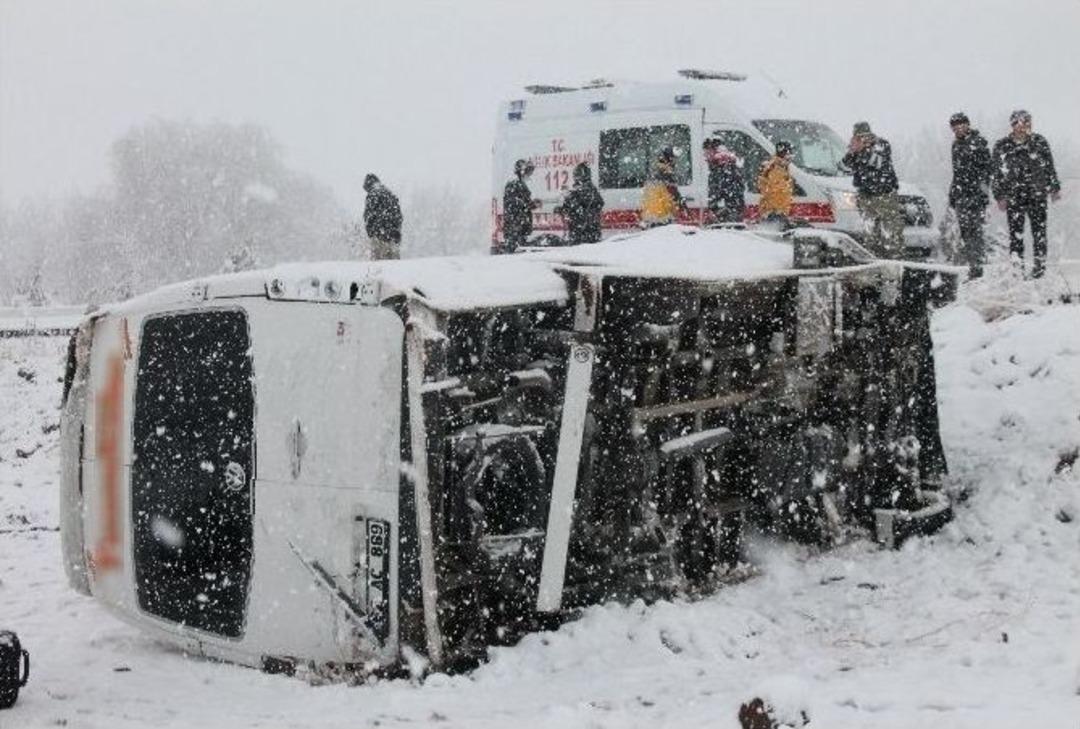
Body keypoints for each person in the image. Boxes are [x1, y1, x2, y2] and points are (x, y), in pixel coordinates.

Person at [991, 110, 1062, 278]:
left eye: (1026, 124)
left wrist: (1054, 188)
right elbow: (996, 173)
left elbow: (1049, 166)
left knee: (1039, 234)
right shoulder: (1002, 146)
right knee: (1016, 236)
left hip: (1037, 194)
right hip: (1014, 196)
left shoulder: (1039, 142)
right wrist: (999, 196)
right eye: (1019, 124)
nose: (1022, 128)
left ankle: (1039, 270)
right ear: (1013, 125)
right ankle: (1017, 271)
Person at [842, 122, 905, 258]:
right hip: (865, 198)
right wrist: (851, 152)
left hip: (885, 197)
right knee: (869, 237)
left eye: (865, 136)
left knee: (891, 235)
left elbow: (876, 162)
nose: (863, 140)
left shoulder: (881, 145)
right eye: (859, 137)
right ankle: (873, 264)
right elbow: (844, 167)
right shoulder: (855, 150)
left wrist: (863, 150)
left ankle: (893, 269)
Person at [947, 112, 992, 278]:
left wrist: (982, 193)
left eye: (961, 125)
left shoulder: (978, 143)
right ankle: (973, 266)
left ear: (967, 125)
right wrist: (953, 193)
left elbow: (987, 171)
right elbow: (957, 172)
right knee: (965, 232)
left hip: (975, 195)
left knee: (975, 231)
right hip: (961, 195)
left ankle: (978, 267)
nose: (958, 129)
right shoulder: (956, 145)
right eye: (955, 127)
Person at [554, 162, 604, 243]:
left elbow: (577, 209)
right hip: (588, 231)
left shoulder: (584, 190)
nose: (575, 176)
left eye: (577, 173)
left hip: (582, 233)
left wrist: (564, 208)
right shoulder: (589, 189)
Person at [501, 159, 540, 253]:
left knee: (519, 252)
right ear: (521, 171)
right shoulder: (513, 184)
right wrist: (529, 204)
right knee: (513, 254)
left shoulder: (520, 184)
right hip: (515, 227)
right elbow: (513, 203)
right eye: (528, 171)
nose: (530, 174)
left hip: (520, 227)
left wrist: (532, 204)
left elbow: (520, 203)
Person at [640, 147, 685, 227]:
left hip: (653, 211)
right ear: (669, 158)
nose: (675, 161)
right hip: (661, 211)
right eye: (674, 158)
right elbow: (671, 188)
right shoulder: (665, 169)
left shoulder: (658, 167)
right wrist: (679, 201)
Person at [362, 174, 402, 260]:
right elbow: (398, 216)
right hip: (393, 237)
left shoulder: (373, 194)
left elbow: (369, 216)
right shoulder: (390, 193)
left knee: (378, 266)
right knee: (395, 266)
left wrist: (371, 233)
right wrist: (396, 233)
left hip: (379, 236)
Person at [704, 139, 745, 223]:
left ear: (712, 149)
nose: (705, 155)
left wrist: (713, 207)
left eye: (706, 152)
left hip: (728, 213)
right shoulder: (726, 164)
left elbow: (719, 189)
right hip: (732, 208)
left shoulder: (720, 167)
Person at [757, 140, 795, 222]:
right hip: (773, 213)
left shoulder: (783, 167)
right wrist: (777, 212)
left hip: (777, 212)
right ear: (782, 154)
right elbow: (774, 192)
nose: (791, 157)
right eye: (788, 154)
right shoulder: (775, 169)